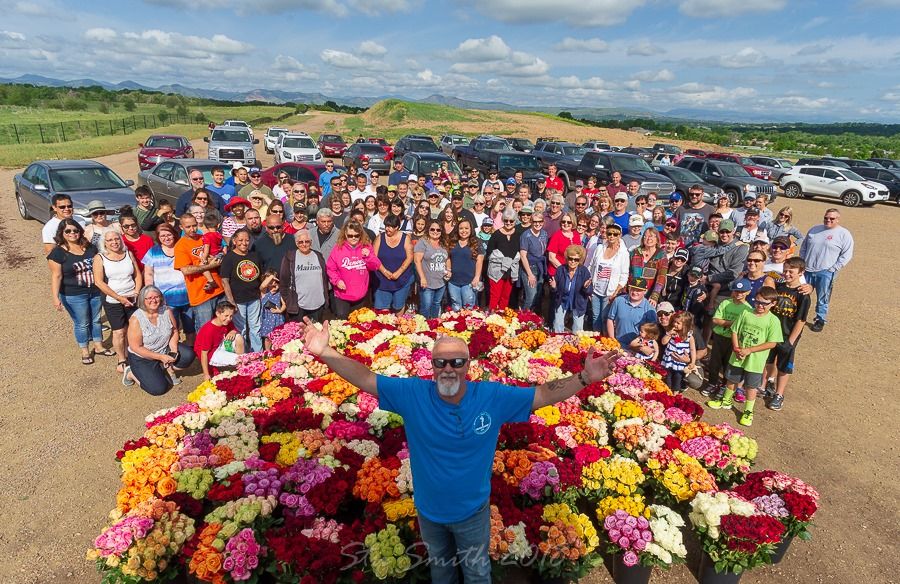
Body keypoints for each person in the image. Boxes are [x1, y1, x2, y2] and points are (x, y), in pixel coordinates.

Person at [299, 323, 618, 584]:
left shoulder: (491, 397)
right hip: (429, 513)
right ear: (432, 366)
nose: (448, 369)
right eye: (441, 362)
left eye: (457, 362)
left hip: (472, 513)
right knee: (442, 574)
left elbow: (543, 394)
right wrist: (325, 352)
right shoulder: (412, 394)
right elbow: (366, 378)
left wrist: (585, 377)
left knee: (477, 574)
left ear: (468, 366)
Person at [706, 286, 783, 427]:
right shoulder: (746, 313)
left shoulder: (773, 320)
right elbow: (735, 330)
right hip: (738, 355)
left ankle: (748, 411)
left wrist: (750, 350)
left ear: (773, 303)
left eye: (764, 303)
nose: (760, 306)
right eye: (757, 301)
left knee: (751, 386)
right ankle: (726, 400)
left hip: (755, 361)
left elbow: (772, 343)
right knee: (731, 379)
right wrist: (736, 348)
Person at [47, 219, 106, 364]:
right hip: (73, 294)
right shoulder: (57, 253)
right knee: (82, 322)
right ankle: (85, 350)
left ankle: (98, 346)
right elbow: (56, 276)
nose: (72, 233)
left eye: (75, 230)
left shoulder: (90, 248)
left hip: (95, 290)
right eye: (68, 231)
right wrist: (55, 297)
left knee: (96, 319)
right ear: (62, 233)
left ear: (80, 231)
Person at [123, 286, 195, 394]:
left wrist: (173, 350)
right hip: (143, 357)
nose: (154, 300)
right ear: (143, 300)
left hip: (164, 348)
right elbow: (136, 347)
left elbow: (174, 331)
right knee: (158, 389)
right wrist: (160, 357)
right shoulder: (136, 319)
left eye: (156, 297)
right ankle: (131, 373)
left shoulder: (167, 311)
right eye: (149, 298)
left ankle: (164, 368)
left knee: (188, 355)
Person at [763, 257, 811, 412]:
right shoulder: (779, 287)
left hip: (788, 334)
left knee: (784, 365)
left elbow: (801, 320)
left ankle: (779, 394)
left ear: (801, 272)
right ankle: (764, 385)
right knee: (768, 360)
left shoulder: (803, 295)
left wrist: (790, 341)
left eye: (791, 271)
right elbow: (767, 276)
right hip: (772, 332)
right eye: (785, 270)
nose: (787, 274)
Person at [93, 231, 143, 374]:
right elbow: (99, 282)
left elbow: (137, 274)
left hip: (132, 297)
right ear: (104, 243)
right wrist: (119, 298)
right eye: (110, 240)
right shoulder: (100, 258)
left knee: (134, 328)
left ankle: (135, 353)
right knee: (119, 331)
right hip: (113, 300)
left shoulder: (128, 254)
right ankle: (122, 358)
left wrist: (136, 292)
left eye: (116, 239)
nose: (114, 242)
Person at [800, 208, 853, 332]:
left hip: (825, 272)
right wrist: (802, 263)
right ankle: (799, 315)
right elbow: (804, 247)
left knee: (823, 297)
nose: (828, 220)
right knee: (802, 294)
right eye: (826, 217)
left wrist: (834, 268)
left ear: (838, 219)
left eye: (832, 218)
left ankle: (820, 319)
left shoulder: (844, 234)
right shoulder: (814, 230)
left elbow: (846, 254)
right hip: (807, 270)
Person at [703, 278, 753, 397]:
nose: (739, 294)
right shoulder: (726, 303)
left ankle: (724, 385)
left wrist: (724, 322)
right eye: (736, 291)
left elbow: (743, 326)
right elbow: (715, 320)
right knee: (715, 362)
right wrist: (733, 323)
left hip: (734, 340)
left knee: (728, 363)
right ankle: (712, 383)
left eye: (742, 292)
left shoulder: (748, 309)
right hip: (719, 336)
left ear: (748, 292)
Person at [143, 223, 194, 338]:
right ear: (158, 237)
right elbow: (149, 273)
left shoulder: (182, 247)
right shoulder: (153, 252)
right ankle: (174, 347)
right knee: (172, 329)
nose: (166, 238)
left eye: (169, 235)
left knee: (190, 328)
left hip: (188, 296)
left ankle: (191, 347)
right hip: (166, 299)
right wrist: (150, 292)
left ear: (174, 234)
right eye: (162, 236)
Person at [174, 214, 223, 329]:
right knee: (205, 329)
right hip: (200, 294)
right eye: (188, 227)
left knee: (223, 326)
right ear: (181, 227)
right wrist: (210, 266)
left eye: (194, 225)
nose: (192, 229)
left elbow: (218, 253)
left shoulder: (204, 238)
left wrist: (217, 259)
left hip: (219, 290)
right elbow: (186, 270)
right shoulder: (180, 246)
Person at [220, 228, 263, 353]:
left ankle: (257, 354)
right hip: (238, 300)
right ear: (234, 241)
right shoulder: (229, 257)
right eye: (240, 240)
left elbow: (260, 276)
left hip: (254, 298)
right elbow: (225, 281)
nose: (244, 243)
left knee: (256, 328)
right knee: (241, 329)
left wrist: (262, 293)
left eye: (247, 240)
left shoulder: (254, 255)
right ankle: (243, 355)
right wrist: (231, 301)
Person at [327, 221, 381, 318]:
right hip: (342, 294)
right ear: (345, 234)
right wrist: (337, 281)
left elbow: (375, 266)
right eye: (350, 235)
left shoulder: (366, 247)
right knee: (342, 321)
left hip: (360, 294)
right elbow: (331, 268)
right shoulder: (338, 248)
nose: (353, 238)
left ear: (361, 234)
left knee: (358, 322)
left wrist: (369, 256)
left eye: (356, 235)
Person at [587, 223, 629, 331]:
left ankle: (606, 338)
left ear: (620, 235)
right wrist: (589, 284)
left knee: (605, 318)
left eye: (615, 234)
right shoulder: (600, 248)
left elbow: (624, 275)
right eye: (609, 233)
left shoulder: (623, 253)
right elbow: (591, 266)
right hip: (596, 289)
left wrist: (616, 292)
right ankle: (597, 337)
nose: (612, 236)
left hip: (610, 291)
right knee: (595, 316)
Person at [280, 229, 329, 322]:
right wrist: (288, 300)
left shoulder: (318, 256)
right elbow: (283, 281)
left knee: (316, 329)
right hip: (299, 307)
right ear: (296, 243)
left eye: (307, 241)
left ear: (311, 242)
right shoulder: (290, 257)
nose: (304, 244)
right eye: (300, 242)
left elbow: (324, 279)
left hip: (318, 304)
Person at [373, 214, 415, 312]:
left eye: (390, 227)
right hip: (382, 278)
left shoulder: (405, 238)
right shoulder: (380, 237)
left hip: (402, 278)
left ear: (397, 227)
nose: (387, 229)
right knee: (382, 310)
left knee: (398, 307)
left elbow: (410, 257)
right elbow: (374, 257)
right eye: (386, 226)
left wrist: (398, 272)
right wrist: (384, 271)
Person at [194, 301, 245, 380]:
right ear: (217, 313)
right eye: (226, 316)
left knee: (239, 337)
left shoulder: (224, 322)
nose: (229, 319)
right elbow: (203, 353)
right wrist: (206, 374)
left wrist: (233, 331)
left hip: (219, 344)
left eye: (231, 316)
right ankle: (240, 364)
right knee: (238, 359)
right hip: (211, 352)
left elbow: (233, 328)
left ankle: (241, 366)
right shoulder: (209, 330)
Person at [485, 208, 521, 311]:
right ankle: (492, 317)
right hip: (497, 270)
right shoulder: (496, 235)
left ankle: (501, 316)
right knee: (495, 296)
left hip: (511, 270)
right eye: (506, 220)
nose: (508, 223)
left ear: (515, 221)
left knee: (506, 296)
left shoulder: (518, 234)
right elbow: (489, 253)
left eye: (511, 221)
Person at [551, 244, 591, 333]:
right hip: (562, 300)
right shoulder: (560, 269)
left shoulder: (584, 271)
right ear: (567, 258)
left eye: (576, 259)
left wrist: (586, 287)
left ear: (580, 260)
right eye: (570, 258)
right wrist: (554, 287)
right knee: (557, 325)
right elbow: (555, 291)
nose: (573, 261)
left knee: (578, 328)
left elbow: (589, 292)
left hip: (578, 301)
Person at [414, 219, 451, 318]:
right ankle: (424, 325)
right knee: (426, 306)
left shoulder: (444, 243)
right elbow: (417, 261)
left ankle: (434, 323)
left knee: (436, 304)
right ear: (428, 229)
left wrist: (449, 270)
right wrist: (422, 278)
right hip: (427, 283)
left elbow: (447, 258)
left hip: (441, 282)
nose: (435, 231)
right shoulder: (423, 242)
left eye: (438, 230)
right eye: (432, 229)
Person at [606, 279, 657, 346]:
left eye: (638, 290)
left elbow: (652, 331)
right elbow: (610, 319)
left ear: (645, 291)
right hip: (618, 343)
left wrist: (640, 345)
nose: (634, 292)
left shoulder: (649, 308)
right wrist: (612, 339)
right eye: (632, 289)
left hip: (638, 347)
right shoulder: (619, 300)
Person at [447, 219, 484, 311]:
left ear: (471, 229)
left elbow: (479, 261)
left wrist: (477, 277)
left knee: (468, 307)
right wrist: (448, 270)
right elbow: (448, 258)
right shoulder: (452, 242)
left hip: (469, 282)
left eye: (466, 228)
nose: (464, 231)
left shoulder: (476, 242)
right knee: (456, 306)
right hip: (453, 281)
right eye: (461, 228)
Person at [629, 228, 669, 306]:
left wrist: (655, 295)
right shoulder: (635, 252)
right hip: (632, 292)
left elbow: (661, 276)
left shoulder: (661, 255)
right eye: (646, 236)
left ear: (657, 239)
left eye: (651, 236)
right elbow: (627, 271)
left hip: (649, 295)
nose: (648, 238)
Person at [660, 311, 697, 394]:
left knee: (678, 377)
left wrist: (693, 362)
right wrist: (668, 334)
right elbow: (663, 342)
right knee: (668, 377)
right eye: (674, 322)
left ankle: (676, 392)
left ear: (685, 325)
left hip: (680, 363)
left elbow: (692, 350)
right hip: (669, 361)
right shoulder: (672, 333)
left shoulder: (689, 337)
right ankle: (667, 391)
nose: (675, 324)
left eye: (678, 323)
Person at [519, 212, 548, 312]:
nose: (537, 224)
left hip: (540, 267)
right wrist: (530, 274)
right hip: (529, 267)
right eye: (535, 221)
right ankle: (523, 317)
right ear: (531, 222)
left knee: (538, 296)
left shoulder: (544, 234)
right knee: (531, 296)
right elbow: (523, 255)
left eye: (540, 221)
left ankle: (535, 318)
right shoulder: (526, 235)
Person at [259, 269, 286, 350]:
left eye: (274, 280)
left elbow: (284, 304)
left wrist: (280, 310)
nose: (273, 282)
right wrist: (271, 276)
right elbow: (262, 286)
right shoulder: (264, 292)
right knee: (267, 338)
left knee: (278, 338)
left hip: (277, 318)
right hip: (267, 319)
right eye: (270, 280)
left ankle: (277, 352)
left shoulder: (279, 293)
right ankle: (267, 353)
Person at [198, 212, 224, 291]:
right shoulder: (219, 235)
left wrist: (204, 257)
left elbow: (207, 247)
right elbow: (223, 246)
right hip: (219, 255)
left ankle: (211, 281)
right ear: (218, 225)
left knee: (201, 266)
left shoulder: (206, 236)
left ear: (206, 226)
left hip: (212, 255)